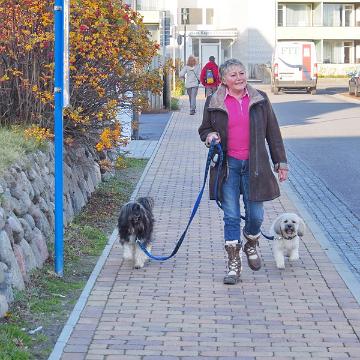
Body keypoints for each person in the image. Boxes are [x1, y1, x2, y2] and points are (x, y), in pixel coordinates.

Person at [198, 58, 288, 285]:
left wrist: (281, 163)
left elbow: (273, 133)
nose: (239, 78)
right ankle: (233, 265)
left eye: (241, 73)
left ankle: (251, 242)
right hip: (228, 167)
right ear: (224, 80)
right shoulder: (214, 100)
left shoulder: (260, 99)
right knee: (230, 216)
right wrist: (210, 137)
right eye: (233, 75)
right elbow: (205, 129)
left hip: (255, 166)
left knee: (256, 216)